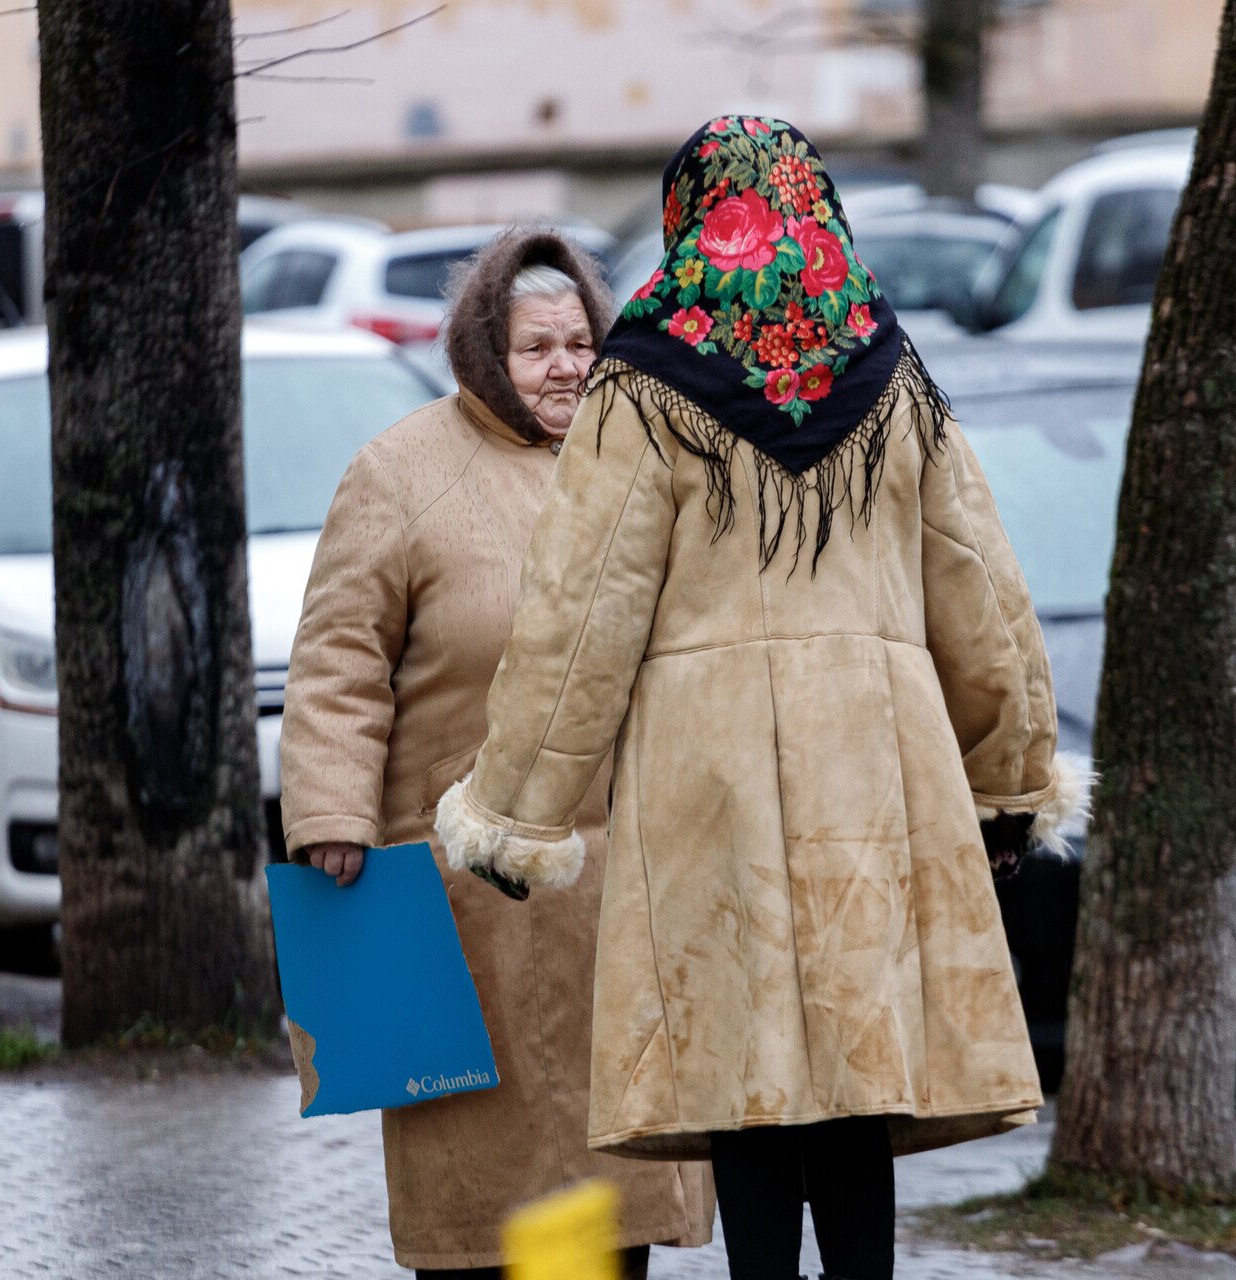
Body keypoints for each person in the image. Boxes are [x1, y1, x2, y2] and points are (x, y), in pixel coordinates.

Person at [435, 119, 1090, 1280]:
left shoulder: (642, 382)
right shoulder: (890, 373)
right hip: (872, 767)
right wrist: (1010, 780)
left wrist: (517, 810)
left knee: (742, 1076)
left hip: (707, 779)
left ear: (687, 219)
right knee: (852, 1071)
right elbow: (981, 594)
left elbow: (579, 617)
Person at [278, 228, 714, 1280]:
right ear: (484, 352)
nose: (565, 367)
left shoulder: (636, 458)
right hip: (461, 905)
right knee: (480, 1199)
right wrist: (331, 813)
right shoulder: (399, 472)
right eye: (536, 348)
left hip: (617, 896)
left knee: (609, 1195)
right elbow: (338, 659)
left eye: (578, 342)